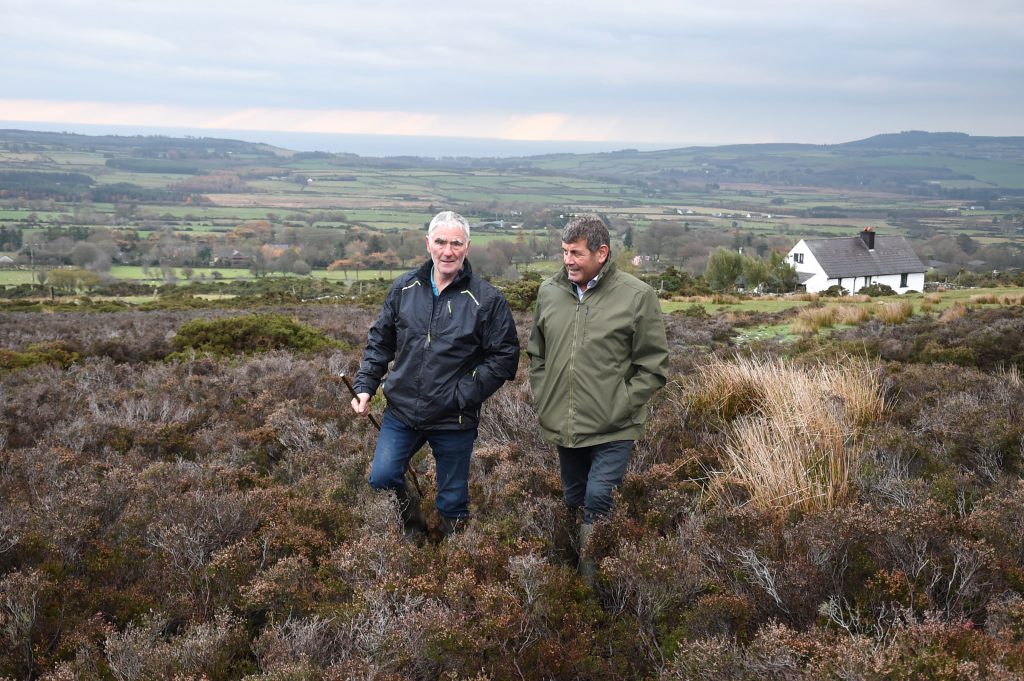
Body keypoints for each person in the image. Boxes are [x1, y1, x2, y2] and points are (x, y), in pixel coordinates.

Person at [351, 210, 520, 539]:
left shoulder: (487, 300)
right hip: (402, 412)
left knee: (453, 500)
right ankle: (414, 533)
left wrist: (463, 394)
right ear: (427, 244)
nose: (448, 250)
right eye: (440, 241)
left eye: (456, 243)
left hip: (453, 418)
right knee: (383, 477)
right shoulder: (404, 289)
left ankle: (452, 556)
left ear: (467, 247)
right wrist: (365, 386)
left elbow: (505, 355)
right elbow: (379, 343)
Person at [527, 214, 668, 580]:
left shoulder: (638, 296)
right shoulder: (549, 292)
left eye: (576, 253)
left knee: (598, 500)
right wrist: (544, 397)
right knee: (574, 499)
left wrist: (620, 405)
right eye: (564, 252)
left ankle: (592, 588)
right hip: (564, 421)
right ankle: (572, 574)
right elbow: (537, 353)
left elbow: (653, 365)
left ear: (601, 253)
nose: (568, 260)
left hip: (614, 427)